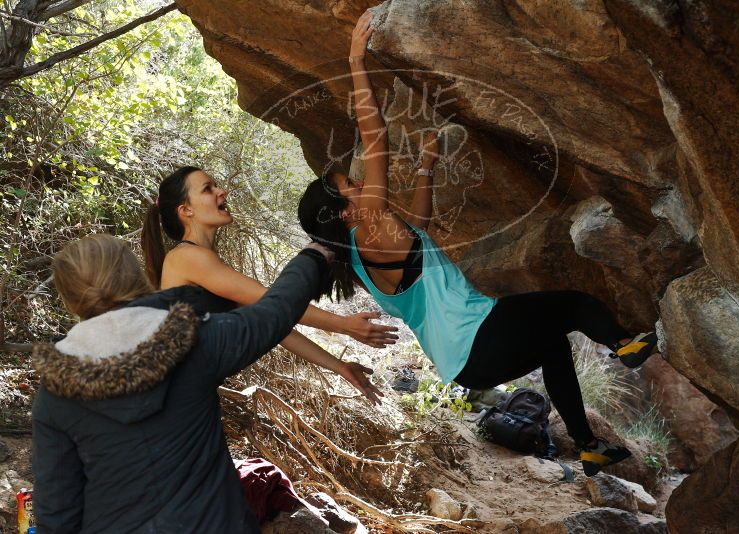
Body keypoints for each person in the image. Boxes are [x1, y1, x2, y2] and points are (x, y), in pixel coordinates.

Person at [297, 10, 659, 476]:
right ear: (344, 211)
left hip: (467, 363)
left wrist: (427, 167)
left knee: (553, 346)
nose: (359, 181)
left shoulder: (368, 257)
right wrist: (355, 58)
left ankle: (589, 447)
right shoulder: (369, 227)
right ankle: (624, 345)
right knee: (573, 302)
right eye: (350, 185)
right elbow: (377, 135)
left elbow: (421, 227)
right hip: (478, 338)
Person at [31, 233, 333, 532]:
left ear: (70, 299)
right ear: (134, 276)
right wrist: (312, 257)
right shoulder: (194, 340)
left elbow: (57, 512)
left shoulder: (56, 388)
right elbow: (274, 313)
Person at [141, 166, 389, 404]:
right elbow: (276, 303)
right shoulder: (186, 257)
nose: (221, 191)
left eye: (216, 185)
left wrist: (338, 366)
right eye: (208, 189)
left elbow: (276, 322)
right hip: (174, 397)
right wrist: (344, 325)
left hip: (187, 395)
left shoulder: (203, 262)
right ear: (186, 211)